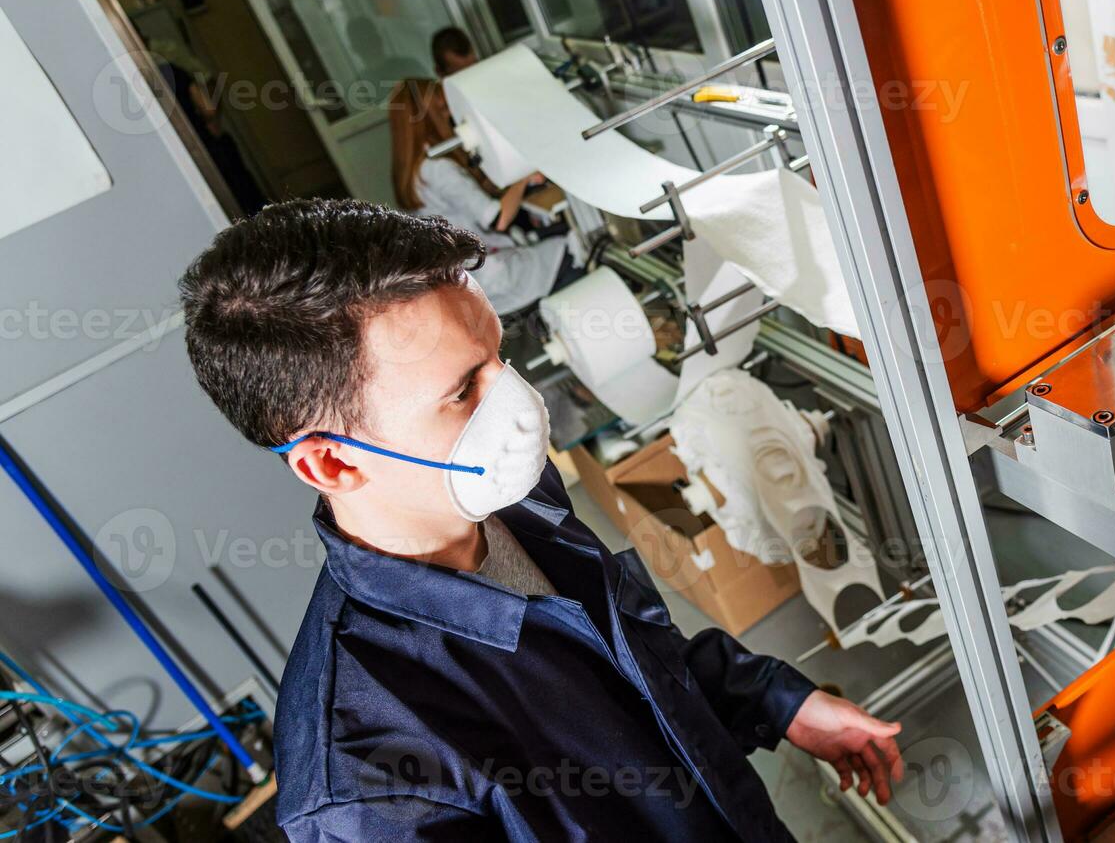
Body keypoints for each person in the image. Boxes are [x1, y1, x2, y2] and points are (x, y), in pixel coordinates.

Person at [177, 199, 905, 841]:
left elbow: (632, 671)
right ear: (333, 464)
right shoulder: (366, 784)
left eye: (500, 356)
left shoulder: (514, 500)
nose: (520, 405)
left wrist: (776, 701)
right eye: (464, 390)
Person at [389, 77, 572, 316]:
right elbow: (497, 219)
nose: (451, 117)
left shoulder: (415, 174)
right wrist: (523, 180)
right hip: (499, 273)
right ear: (428, 118)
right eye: (443, 109)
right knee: (575, 246)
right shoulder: (437, 168)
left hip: (478, 276)